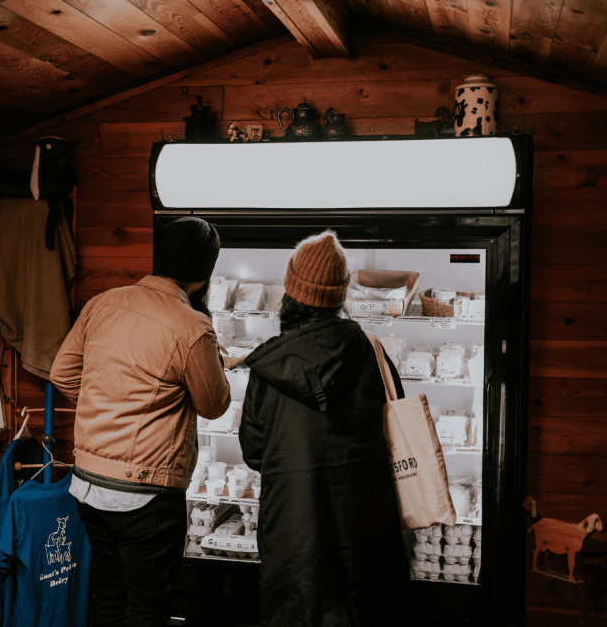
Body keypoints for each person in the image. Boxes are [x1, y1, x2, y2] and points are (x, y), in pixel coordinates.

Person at [50, 217, 231, 627]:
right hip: (146, 493)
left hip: (89, 483)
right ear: (205, 272)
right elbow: (213, 405)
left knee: (108, 593)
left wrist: (106, 403)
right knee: (147, 608)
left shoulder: (103, 302)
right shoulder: (191, 325)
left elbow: (62, 374)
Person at [239, 230, 410, 627]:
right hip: (365, 529)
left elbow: (254, 451)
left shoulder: (270, 365)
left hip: (293, 532)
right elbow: (396, 428)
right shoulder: (371, 351)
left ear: (291, 288)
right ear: (341, 294)